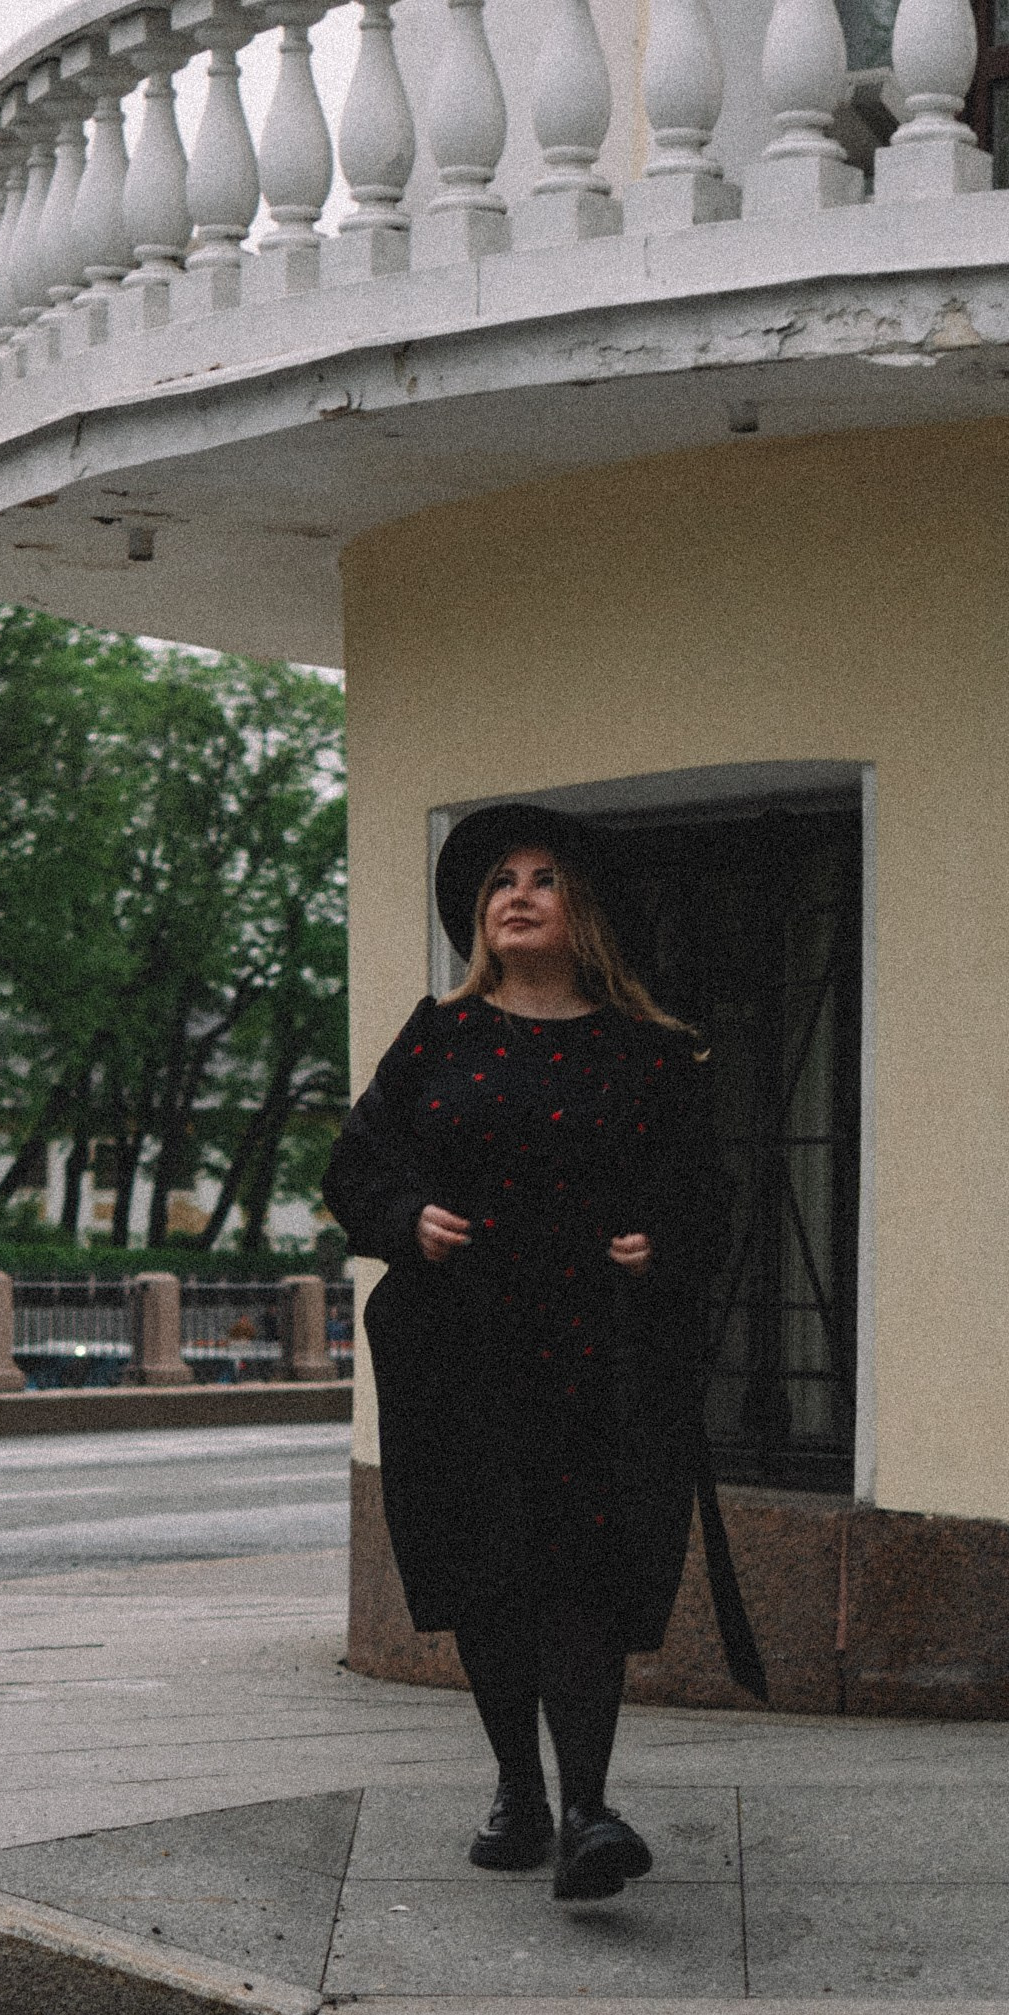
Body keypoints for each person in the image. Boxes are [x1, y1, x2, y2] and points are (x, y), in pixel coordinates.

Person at [323, 803, 764, 1902]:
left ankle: (585, 1808)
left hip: (598, 1357)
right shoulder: (438, 1037)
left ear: (583, 913)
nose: (514, 895)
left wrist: (656, 1241)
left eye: (541, 879)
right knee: (489, 1574)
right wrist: (407, 1217)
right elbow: (356, 1169)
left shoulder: (650, 1055)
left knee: (581, 1574)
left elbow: (707, 1199)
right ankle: (518, 1789)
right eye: (498, 884)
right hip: (460, 1352)